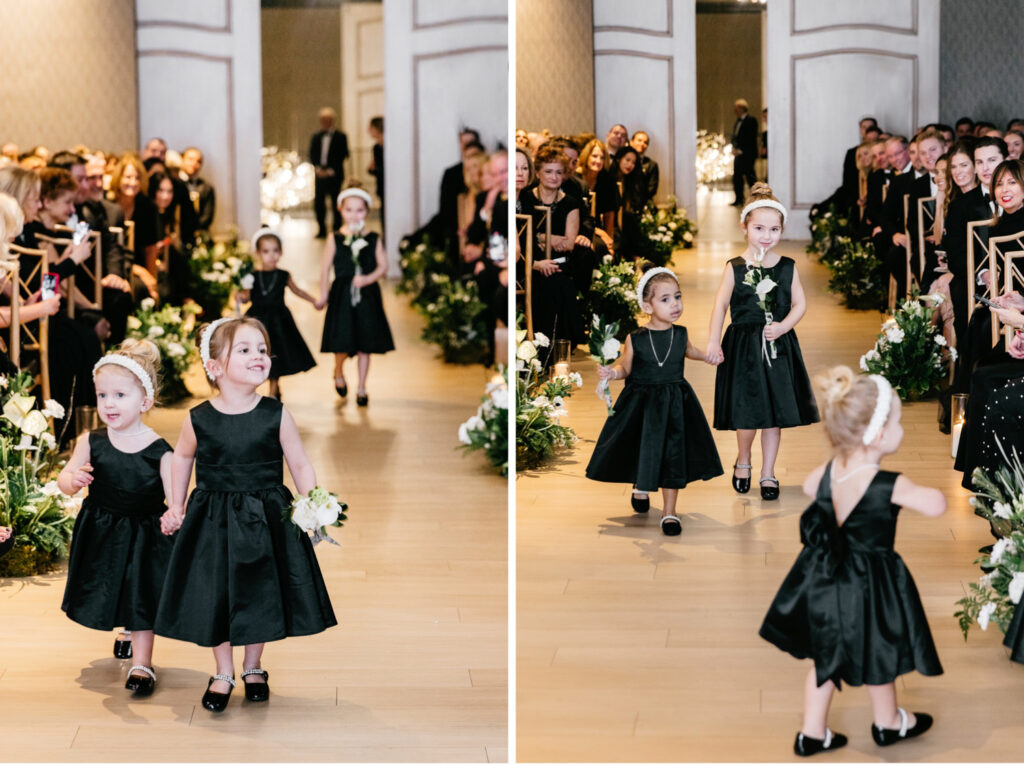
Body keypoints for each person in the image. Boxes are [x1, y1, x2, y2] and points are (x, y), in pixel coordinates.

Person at [154, 317, 336, 712]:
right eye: (245, 349)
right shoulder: (198, 418)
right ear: (215, 367)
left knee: (259, 591)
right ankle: (223, 670)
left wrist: (313, 503)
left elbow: (300, 463)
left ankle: (254, 665)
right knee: (215, 593)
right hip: (213, 519)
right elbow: (182, 457)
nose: (259, 356)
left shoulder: (275, 413)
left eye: (262, 349)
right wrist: (176, 504)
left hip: (264, 518)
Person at [760, 367, 944, 756]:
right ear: (877, 436)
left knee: (825, 659)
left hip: (826, 580)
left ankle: (812, 733)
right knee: (880, 653)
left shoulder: (830, 471)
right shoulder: (889, 484)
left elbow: (811, 487)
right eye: (897, 421)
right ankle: (888, 723)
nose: (901, 428)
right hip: (870, 585)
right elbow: (936, 505)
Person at [58, 339, 173, 697]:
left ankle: (142, 663)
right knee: (114, 585)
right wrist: (72, 480)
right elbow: (64, 481)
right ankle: (125, 630)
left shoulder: (161, 451)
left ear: (146, 401)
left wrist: (174, 516)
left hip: (144, 535)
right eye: (102, 395)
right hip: (103, 531)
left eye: (120, 396)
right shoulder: (91, 440)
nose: (109, 404)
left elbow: (176, 500)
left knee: (141, 594)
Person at [585, 264, 723, 535]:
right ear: (647, 307)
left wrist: (709, 356)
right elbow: (625, 367)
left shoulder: (680, 334)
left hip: (675, 403)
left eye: (678, 296)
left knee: (673, 454)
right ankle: (641, 486)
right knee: (643, 447)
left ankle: (669, 513)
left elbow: (691, 351)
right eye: (665, 299)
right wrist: (611, 372)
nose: (675, 304)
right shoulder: (636, 338)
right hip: (642, 403)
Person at [707, 183, 819, 500]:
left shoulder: (787, 268)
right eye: (759, 228)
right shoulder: (735, 268)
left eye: (773, 229)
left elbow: (800, 304)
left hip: (777, 348)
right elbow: (719, 307)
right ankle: (744, 459)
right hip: (742, 348)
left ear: (781, 230)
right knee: (748, 411)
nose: (766, 236)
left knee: (774, 414)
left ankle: (768, 473)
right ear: (745, 228)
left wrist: (782, 327)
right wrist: (714, 343)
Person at [316, 186, 394, 405]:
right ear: (341, 210)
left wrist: (368, 279)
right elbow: (325, 269)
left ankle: (361, 387)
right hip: (342, 295)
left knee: (364, 343)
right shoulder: (335, 238)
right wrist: (323, 295)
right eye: (349, 210)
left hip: (367, 296)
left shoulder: (374, 238)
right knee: (342, 341)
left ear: (366, 211)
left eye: (359, 210)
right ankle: (338, 370)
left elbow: (383, 266)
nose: (354, 215)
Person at [517, 145, 586, 351]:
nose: (554, 177)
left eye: (558, 172)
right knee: (552, 282)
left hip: (558, 260)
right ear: (537, 172)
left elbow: (568, 243)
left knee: (558, 278)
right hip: (532, 259)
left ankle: (555, 342)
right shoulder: (527, 198)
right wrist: (545, 240)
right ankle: (546, 343)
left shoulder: (570, 203)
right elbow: (525, 235)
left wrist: (540, 239)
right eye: (548, 171)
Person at [244, 228, 317, 400]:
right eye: (266, 251)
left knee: (275, 352)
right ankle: (258, 387)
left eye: (275, 251)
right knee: (256, 351)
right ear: (258, 253)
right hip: (257, 319)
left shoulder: (283, 275)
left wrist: (314, 300)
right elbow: (246, 296)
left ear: (281, 252)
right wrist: (239, 295)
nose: (271, 255)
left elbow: (297, 291)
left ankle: (273, 389)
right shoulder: (253, 275)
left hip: (278, 320)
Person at [309, 107, 349, 238]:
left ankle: (337, 230)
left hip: (335, 175)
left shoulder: (341, 136)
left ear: (332, 120)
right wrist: (318, 168)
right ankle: (322, 229)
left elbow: (343, 154)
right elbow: (312, 154)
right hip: (320, 174)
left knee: (336, 202)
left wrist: (331, 170)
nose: (325, 122)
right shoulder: (316, 136)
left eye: (328, 119)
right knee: (319, 203)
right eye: (323, 119)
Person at [179, 147, 216, 234]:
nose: (194, 164)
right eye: (190, 159)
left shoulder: (207, 188)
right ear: (182, 160)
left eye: (198, 161)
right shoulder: (173, 184)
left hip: (198, 233)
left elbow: (207, 216)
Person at [731, 99, 759, 206]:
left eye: (737, 108)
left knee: (750, 177)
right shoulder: (737, 122)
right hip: (738, 154)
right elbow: (735, 137)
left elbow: (750, 138)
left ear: (743, 108)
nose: (735, 110)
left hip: (748, 154)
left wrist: (741, 149)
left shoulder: (751, 120)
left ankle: (756, 199)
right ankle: (739, 199)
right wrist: (734, 148)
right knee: (737, 177)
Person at [630, 130, 659, 208]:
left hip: (643, 207)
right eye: (639, 140)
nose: (642, 144)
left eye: (645, 142)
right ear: (631, 142)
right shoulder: (623, 162)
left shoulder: (652, 165)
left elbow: (651, 190)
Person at [367, 116, 384, 209]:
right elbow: (371, 169)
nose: (369, 130)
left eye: (370, 128)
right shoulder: (376, 147)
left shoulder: (389, 146)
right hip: (381, 185)